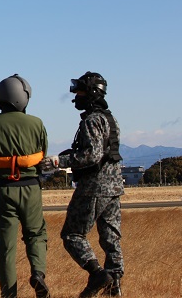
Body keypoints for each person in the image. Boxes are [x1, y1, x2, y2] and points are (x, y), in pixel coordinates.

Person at [43, 72, 123, 297]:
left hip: (94, 187)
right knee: (111, 239)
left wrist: (60, 162)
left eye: (80, 92)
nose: (76, 97)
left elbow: (92, 155)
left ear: (91, 93)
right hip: (114, 187)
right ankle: (114, 287)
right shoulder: (110, 118)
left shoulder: (91, 120)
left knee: (72, 235)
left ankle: (97, 274)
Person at [0, 74, 50, 298]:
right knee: (36, 234)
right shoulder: (37, 123)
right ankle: (38, 274)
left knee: (6, 247)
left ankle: (9, 294)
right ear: (23, 97)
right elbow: (43, 153)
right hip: (31, 187)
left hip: (3, 188)